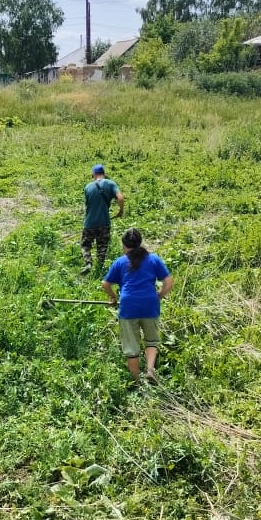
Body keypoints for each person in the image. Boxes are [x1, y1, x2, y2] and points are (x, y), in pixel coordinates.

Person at [102, 227, 173, 387]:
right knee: (151, 340)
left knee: (131, 347)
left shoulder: (120, 262)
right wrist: (158, 296)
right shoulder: (153, 259)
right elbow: (168, 282)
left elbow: (105, 284)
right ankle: (149, 370)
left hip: (128, 306)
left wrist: (113, 297)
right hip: (150, 304)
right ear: (140, 242)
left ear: (124, 245)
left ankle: (135, 382)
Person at [80, 163, 124, 275]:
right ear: (103, 174)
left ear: (94, 175)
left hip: (89, 223)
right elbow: (120, 197)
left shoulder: (88, 187)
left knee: (85, 245)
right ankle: (99, 268)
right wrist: (120, 210)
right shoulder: (110, 184)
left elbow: (87, 205)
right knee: (102, 247)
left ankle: (88, 263)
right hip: (104, 223)